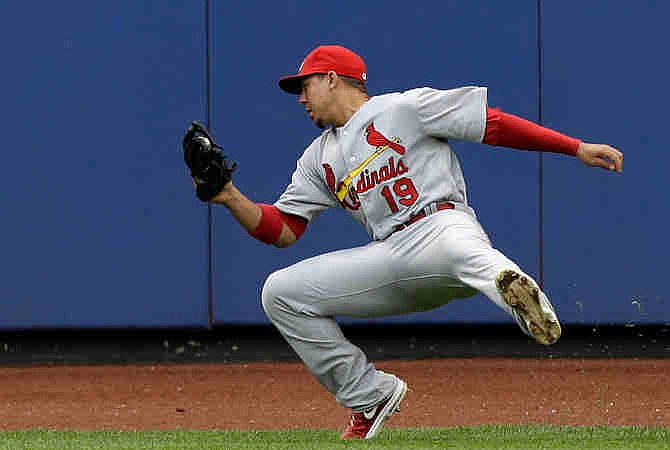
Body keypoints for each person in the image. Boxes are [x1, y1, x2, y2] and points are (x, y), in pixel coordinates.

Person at [205, 45, 623, 439]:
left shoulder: (403, 107)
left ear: (333, 79)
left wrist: (575, 147)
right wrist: (228, 195)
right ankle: (369, 397)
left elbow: (492, 125)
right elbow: (282, 229)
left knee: (467, 252)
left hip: (441, 225)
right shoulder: (318, 157)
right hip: (391, 256)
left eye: (305, 85)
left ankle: (522, 299)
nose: (300, 98)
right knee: (279, 293)